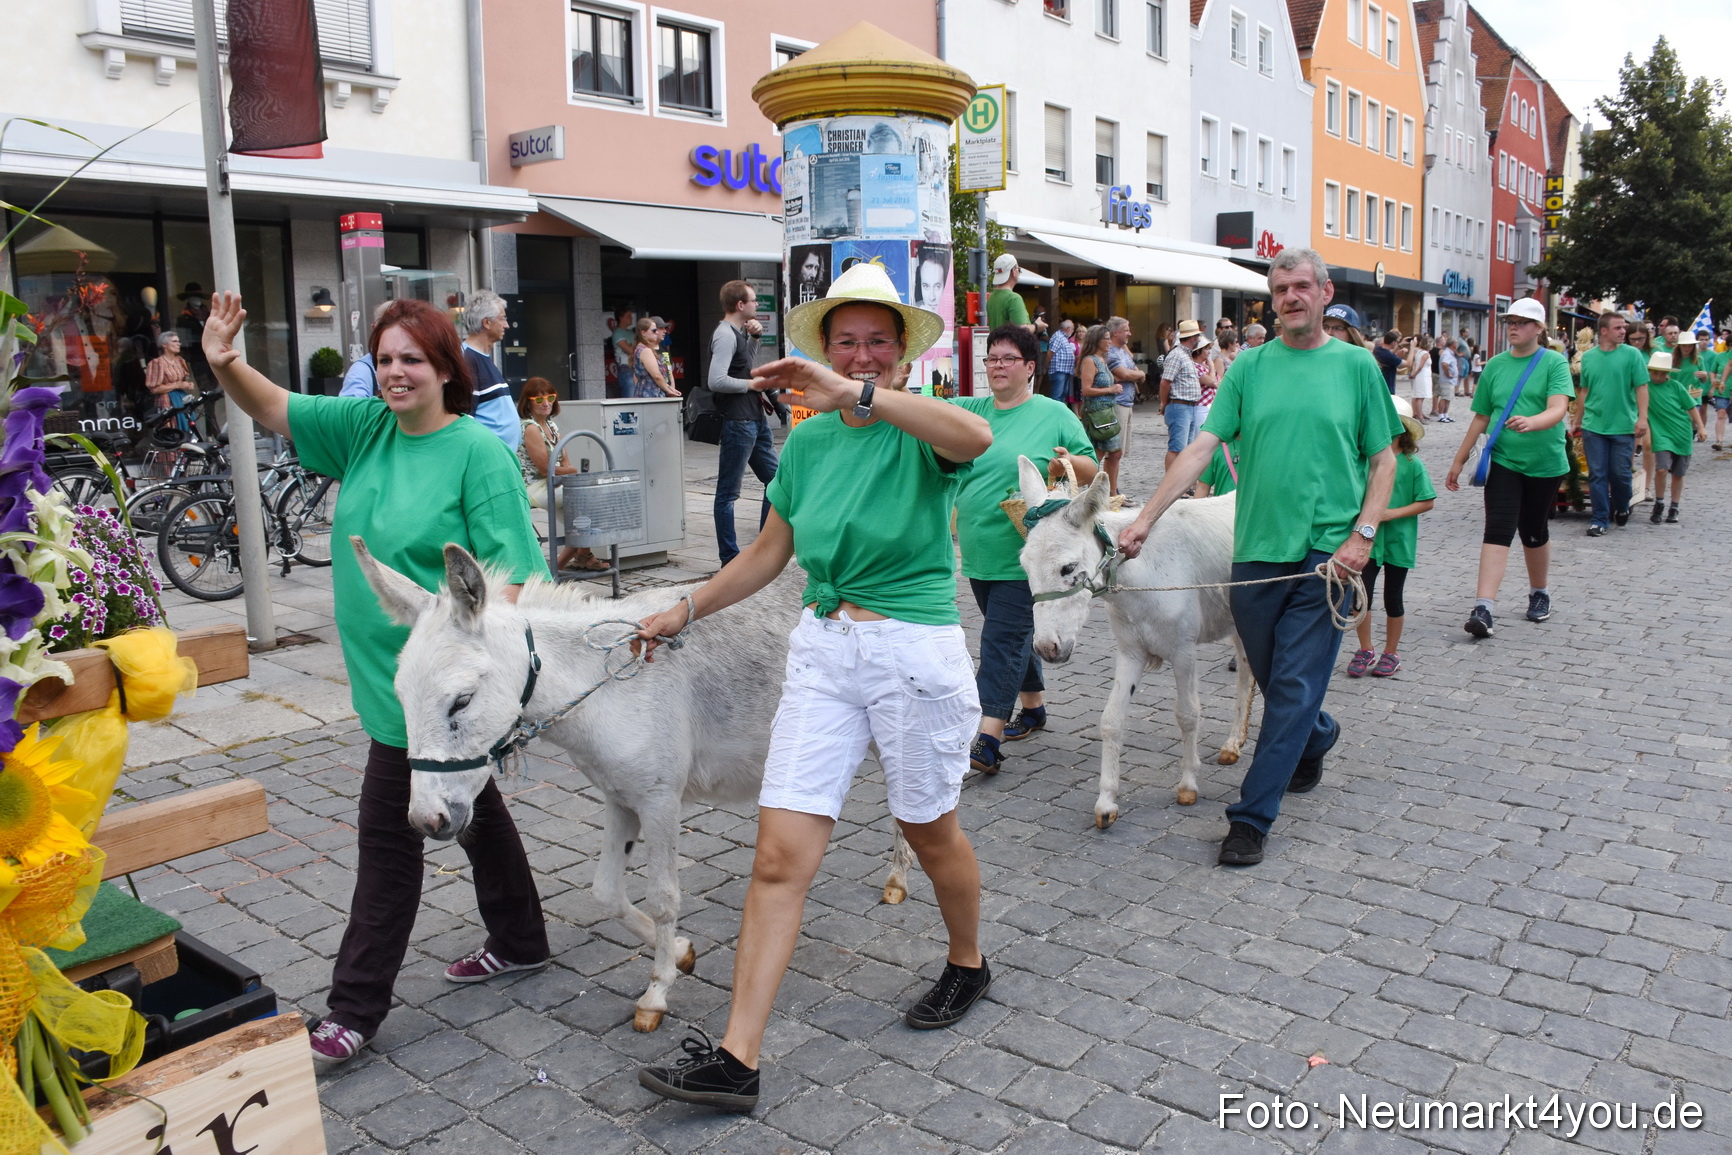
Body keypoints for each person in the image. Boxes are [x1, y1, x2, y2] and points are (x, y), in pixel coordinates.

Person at [632, 263, 993, 1113]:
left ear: (902, 356)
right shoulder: (809, 443)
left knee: (928, 829)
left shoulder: (922, 422)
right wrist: (683, 608)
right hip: (824, 650)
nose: (860, 354)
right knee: (778, 854)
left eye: (876, 342)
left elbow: (972, 443)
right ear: (824, 349)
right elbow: (767, 554)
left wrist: (858, 396)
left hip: (912, 647)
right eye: (845, 342)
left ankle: (969, 962)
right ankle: (736, 1057)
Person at [202, 293, 550, 1065]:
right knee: (473, 805)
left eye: (412, 360)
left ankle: (353, 1009)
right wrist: (226, 360)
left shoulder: (476, 453)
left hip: (437, 693)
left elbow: (519, 577)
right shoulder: (365, 430)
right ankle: (522, 936)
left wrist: (475, 681)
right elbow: (279, 408)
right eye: (384, 358)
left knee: (388, 839)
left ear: (444, 369)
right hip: (381, 680)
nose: (395, 372)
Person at [1118, 248, 1399, 868]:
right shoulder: (1249, 368)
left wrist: (1364, 535)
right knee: (1278, 684)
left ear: (1325, 293)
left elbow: (1385, 460)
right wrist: (1145, 519)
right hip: (1254, 552)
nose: (1291, 297)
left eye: (1302, 286)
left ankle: (1250, 818)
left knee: (1294, 686)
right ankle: (1317, 735)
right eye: (1280, 289)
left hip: (1329, 558)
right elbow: (1201, 449)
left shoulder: (1357, 367)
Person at [953, 324, 1098, 775]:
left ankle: (987, 741)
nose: (997, 366)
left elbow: (1092, 467)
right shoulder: (971, 409)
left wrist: (1066, 461)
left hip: (1030, 562)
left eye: (1008, 358)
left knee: (999, 642)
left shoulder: (1053, 413)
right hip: (978, 553)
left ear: (1030, 367)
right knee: (1016, 639)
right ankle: (1033, 708)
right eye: (992, 358)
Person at [1445, 297, 1574, 638]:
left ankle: (1539, 592)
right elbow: (1482, 417)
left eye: (1521, 321)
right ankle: (1484, 607)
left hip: (1545, 463)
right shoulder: (1495, 366)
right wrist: (1459, 459)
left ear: (1539, 328)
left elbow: (1558, 408)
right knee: (1498, 528)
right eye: (1509, 321)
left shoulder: (1553, 363)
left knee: (1533, 531)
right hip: (1503, 459)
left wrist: (1534, 421)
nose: (1513, 327)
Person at [1346, 396, 1434, 679]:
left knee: (1394, 598)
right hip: (1368, 543)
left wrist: (1389, 514)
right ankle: (1365, 648)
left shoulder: (1412, 464)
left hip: (1398, 542)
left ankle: (1391, 653)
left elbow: (1426, 501)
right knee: (1362, 598)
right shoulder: (1365, 463)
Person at [709, 280, 780, 567]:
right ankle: (730, 559)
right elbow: (716, 380)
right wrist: (752, 384)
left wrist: (753, 339)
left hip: (753, 418)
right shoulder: (724, 335)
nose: (757, 305)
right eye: (753, 301)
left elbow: (744, 365)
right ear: (741, 305)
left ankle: (764, 547)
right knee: (727, 493)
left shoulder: (736, 332)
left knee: (777, 482)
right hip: (738, 420)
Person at [516, 379, 609, 574]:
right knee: (585, 511)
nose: (546, 403)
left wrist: (568, 473)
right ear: (528, 402)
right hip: (534, 486)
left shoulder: (551, 425)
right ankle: (559, 565)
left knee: (584, 515)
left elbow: (564, 460)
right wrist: (570, 471)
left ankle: (582, 556)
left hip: (554, 482)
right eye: (539, 398)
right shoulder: (530, 427)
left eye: (550, 397)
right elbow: (545, 469)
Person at [1570, 311, 1650, 536]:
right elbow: (1585, 391)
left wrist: (1642, 418)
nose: (1623, 331)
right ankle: (1599, 519)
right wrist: (1577, 420)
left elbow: (1642, 387)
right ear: (1603, 331)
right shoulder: (1589, 357)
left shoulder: (1632, 355)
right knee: (1597, 474)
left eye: (1624, 327)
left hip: (1624, 425)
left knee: (1620, 474)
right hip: (1593, 426)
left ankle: (1622, 506)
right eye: (1618, 328)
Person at [1645, 348, 1708, 524]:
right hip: (1661, 434)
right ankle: (1659, 502)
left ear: (1667, 373)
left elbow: (1691, 408)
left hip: (1682, 432)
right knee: (1661, 469)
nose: (1657, 376)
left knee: (1679, 473)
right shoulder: (1644, 387)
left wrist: (1701, 427)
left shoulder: (1676, 387)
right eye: (1654, 372)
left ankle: (1674, 506)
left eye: (1661, 373)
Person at [459, 291, 521, 453]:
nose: (506, 325)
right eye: (502, 318)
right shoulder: (467, 360)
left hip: (498, 457)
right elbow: (463, 420)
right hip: (487, 460)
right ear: (486, 322)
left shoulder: (480, 357)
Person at [1159, 319, 1206, 473]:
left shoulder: (1185, 355)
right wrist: (1164, 403)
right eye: (1198, 336)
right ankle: (1170, 484)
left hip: (1188, 406)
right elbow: (1165, 382)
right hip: (1179, 405)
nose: (1199, 339)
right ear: (1193, 337)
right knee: (1177, 448)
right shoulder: (1177, 355)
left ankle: (1180, 484)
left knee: (1185, 448)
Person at [1105, 317, 1146, 494]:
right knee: (1113, 452)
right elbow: (1124, 374)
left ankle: (1114, 489)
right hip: (1118, 403)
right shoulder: (1111, 353)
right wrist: (1134, 374)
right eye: (1126, 330)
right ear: (1116, 332)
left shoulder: (1123, 351)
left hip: (1127, 403)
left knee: (1120, 452)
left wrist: (1134, 374)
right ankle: (1111, 492)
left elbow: (1133, 372)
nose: (1130, 333)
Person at [1077, 324, 1124, 466]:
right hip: (1096, 414)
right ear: (1097, 340)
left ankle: (1111, 488)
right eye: (1107, 339)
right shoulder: (1090, 360)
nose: (1110, 342)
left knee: (1115, 452)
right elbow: (1086, 390)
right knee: (1097, 453)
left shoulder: (1103, 360)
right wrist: (1110, 390)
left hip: (1107, 412)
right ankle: (1090, 483)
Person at [144, 331, 194, 433]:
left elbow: (183, 380)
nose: (178, 344)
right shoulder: (157, 363)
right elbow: (154, 389)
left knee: (188, 427)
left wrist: (187, 385)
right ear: (164, 345)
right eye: (175, 341)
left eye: (179, 341)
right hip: (167, 400)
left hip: (181, 398)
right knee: (172, 430)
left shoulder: (180, 360)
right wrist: (177, 385)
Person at [623, 317, 679, 399]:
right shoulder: (645, 350)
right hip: (652, 394)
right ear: (643, 333)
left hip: (647, 393)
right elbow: (656, 375)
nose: (657, 332)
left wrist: (670, 389)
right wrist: (669, 390)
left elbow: (668, 372)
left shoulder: (640, 348)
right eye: (654, 330)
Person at [986, 254, 1032, 329]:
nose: (1019, 273)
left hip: (995, 340)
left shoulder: (991, 298)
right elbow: (1023, 331)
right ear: (1014, 271)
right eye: (1019, 270)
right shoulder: (1013, 298)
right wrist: (1036, 326)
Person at [1045, 317, 1077, 404]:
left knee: (1063, 394)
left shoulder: (1063, 337)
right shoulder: (1058, 336)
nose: (1073, 331)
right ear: (1068, 328)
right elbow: (1050, 353)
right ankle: (1055, 415)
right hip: (1058, 371)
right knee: (1057, 395)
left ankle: (1060, 415)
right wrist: (1046, 366)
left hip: (1064, 371)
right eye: (1073, 328)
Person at [1405, 334, 1433, 419]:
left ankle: (1417, 412)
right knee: (1421, 396)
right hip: (1423, 376)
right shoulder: (1426, 354)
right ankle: (1420, 415)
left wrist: (1413, 373)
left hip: (1421, 375)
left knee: (1417, 395)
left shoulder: (1419, 352)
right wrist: (1414, 374)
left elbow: (1415, 364)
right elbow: (1420, 366)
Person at [1373, 329, 1404, 394]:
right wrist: (1412, 347)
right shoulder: (1387, 354)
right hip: (1387, 383)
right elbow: (1408, 363)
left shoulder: (1377, 349)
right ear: (1393, 342)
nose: (1397, 343)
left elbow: (1389, 355)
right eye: (1397, 341)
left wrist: (1399, 347)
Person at [1435, 339, 1458, 422]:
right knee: (1444, 397)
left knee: (1448, 398)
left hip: (1451, 381)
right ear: (1452, 344)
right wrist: (1448, 374)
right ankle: (1441, 415)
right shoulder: (1447, 353)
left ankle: (1446, 414)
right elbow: (1444, 364)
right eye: (1456, 343)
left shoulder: (1451, 353)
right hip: (1446, 380)